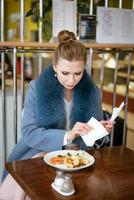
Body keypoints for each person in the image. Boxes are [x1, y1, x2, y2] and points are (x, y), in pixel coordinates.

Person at [0, 30, 114, 199]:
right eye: (65, 73)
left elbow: (92, 139)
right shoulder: (37, 88)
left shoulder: (92, 91)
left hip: (79, 158)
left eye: (78, 73)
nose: (71, 80)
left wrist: (101, 130)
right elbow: (30, 133)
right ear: (55, 66)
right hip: (37, 154)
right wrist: (67, 135)